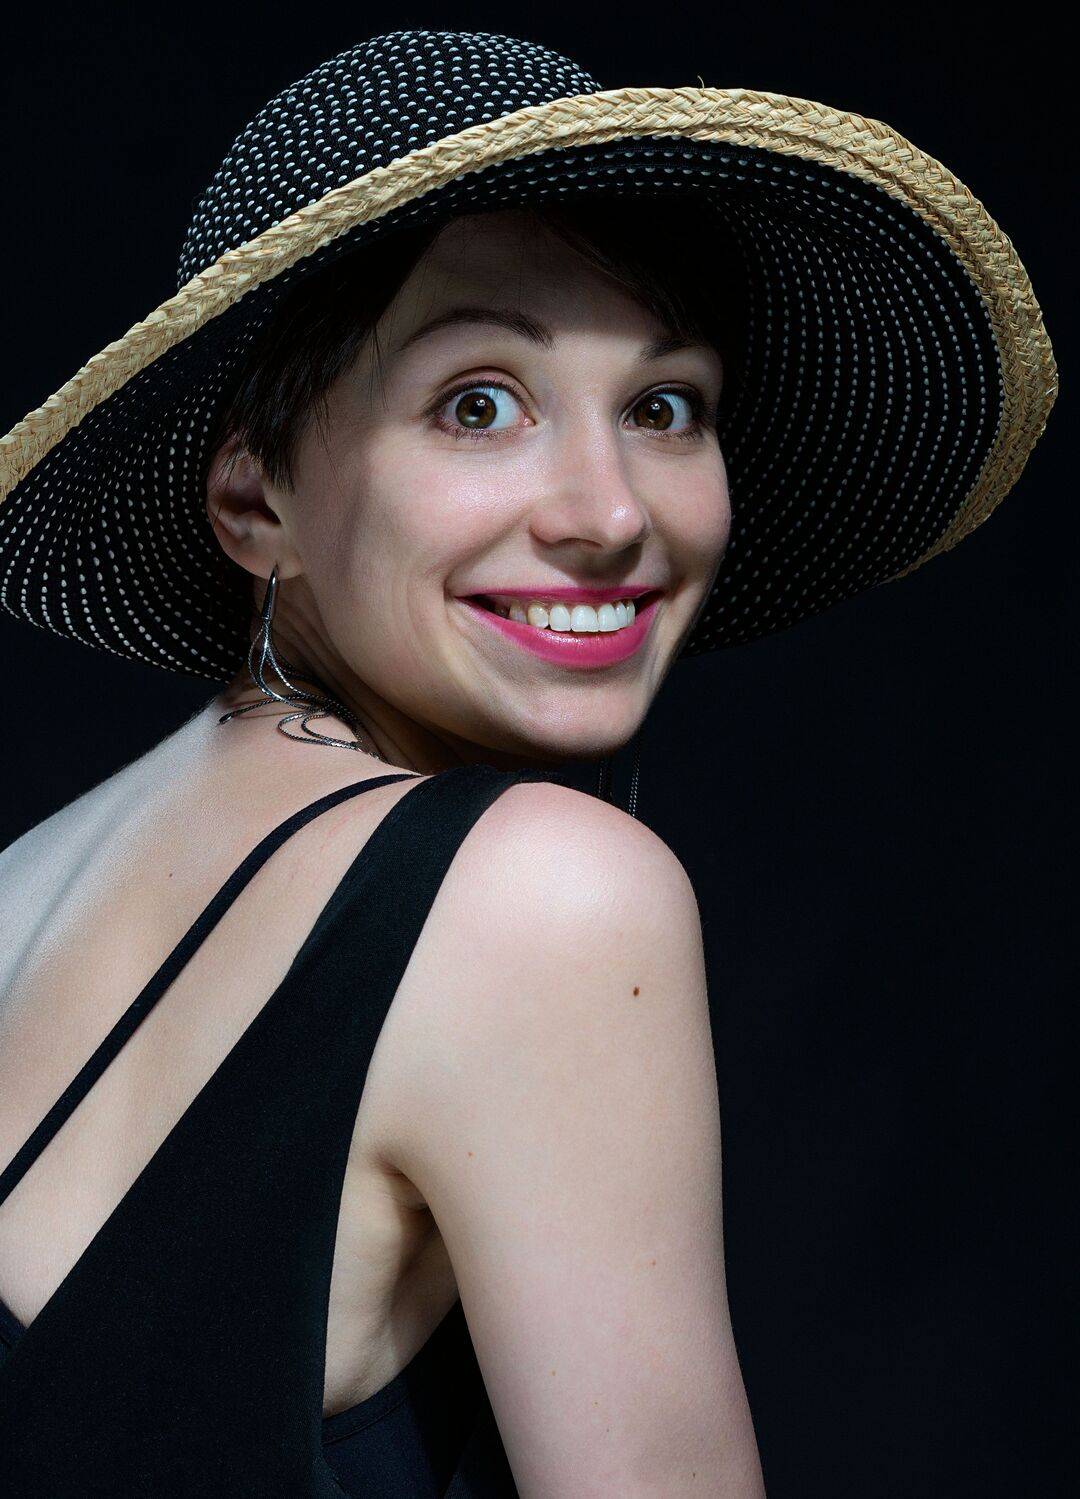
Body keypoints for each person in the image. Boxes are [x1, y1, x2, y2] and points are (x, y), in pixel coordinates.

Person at [0, 26, 1055, 1499]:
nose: (609, 514)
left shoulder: (29, 878)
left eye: (663, 406)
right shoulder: (540, 897)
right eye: (478, 404)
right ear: (254, 497)